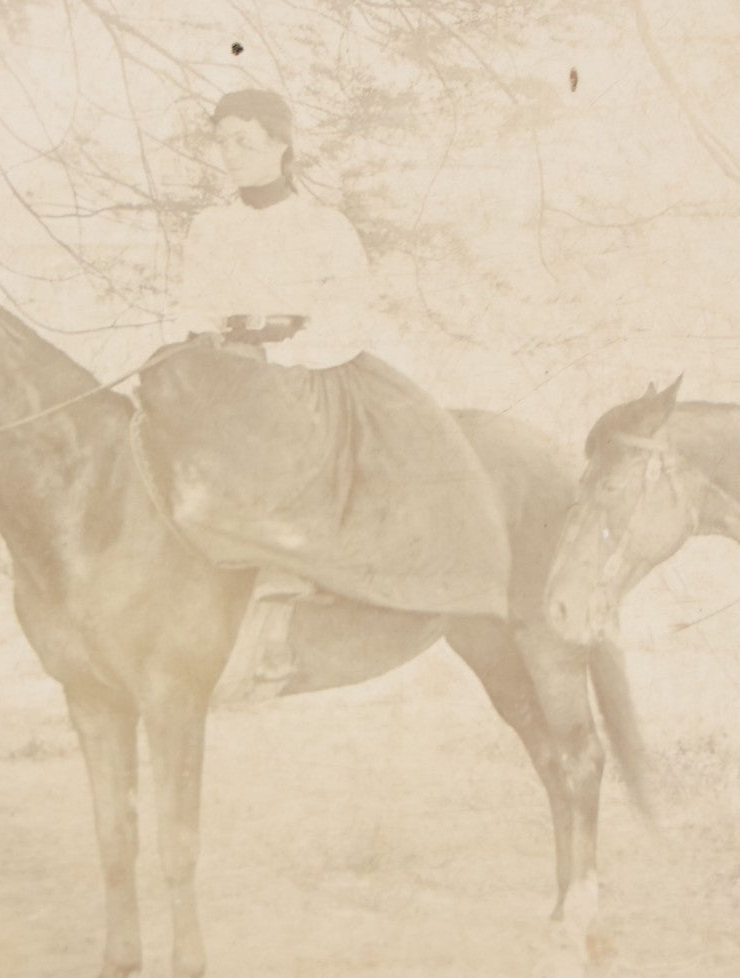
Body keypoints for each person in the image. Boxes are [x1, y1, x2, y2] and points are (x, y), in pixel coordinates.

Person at [136, 89, 511, 692]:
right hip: (226, 366)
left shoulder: (324, 227)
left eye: (245, 142)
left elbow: (345, 319)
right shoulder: (210, 227)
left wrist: (278, 354)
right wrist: (208, 345)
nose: (231, 155)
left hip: (307, 368)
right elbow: (198, 305)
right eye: (224, 141)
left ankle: (285, 585)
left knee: (284, 437)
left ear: (281, 146)